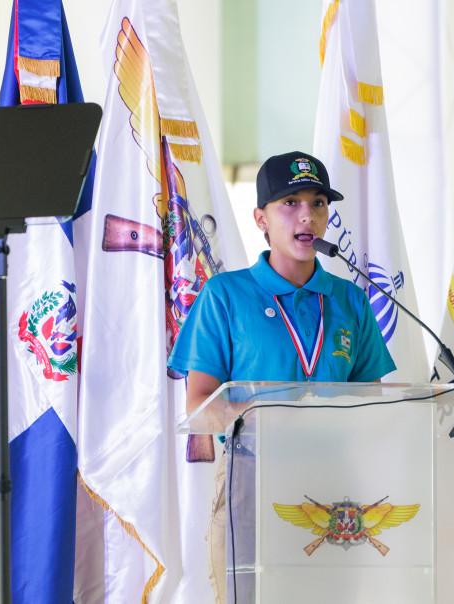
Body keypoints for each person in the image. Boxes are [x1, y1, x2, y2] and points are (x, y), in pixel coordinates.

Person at [167, 150, 395, 602]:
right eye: (290, 203)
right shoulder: (225, 295)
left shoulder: (350, 299)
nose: (307, 216)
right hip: (253, 473)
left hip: (336, 480)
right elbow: (199, 406)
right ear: (261, 219)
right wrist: (267, 416)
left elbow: (372, 401)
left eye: (318, 203)